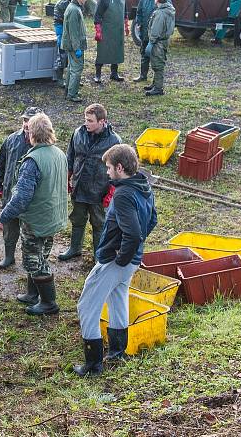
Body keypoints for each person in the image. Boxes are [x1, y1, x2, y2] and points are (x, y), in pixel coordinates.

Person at [73, 144, 157, 376]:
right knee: (118, 300)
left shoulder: (123, 195)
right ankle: (117, 353)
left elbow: (133, 233)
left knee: (87, 306)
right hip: (131, 261)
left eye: (109, 168)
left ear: (120, 168)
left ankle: (92, 366)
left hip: (115, 260)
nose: (107, 173)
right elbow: (152, 221)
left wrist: (120, 258)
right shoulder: (144, 187)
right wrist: (133, 252)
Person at [0, 113, 68, 316]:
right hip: (53, 217)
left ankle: (48, 302)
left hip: (36, 220)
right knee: (42, 254)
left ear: (31, 134)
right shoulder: (59, 154)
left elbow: (21, 198)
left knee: (33, 261)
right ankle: (32, 294)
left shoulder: (33, 161)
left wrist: (4, 216)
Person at [59, 104, 122, 262]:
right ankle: (75, 248)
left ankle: (98, 255)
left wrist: (112, 191)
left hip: (100, 190)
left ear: (102, 121)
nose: (86, 123)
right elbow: (70, 157)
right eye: (85, 119)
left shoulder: (114, 141)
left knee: (99, 223)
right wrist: (67, 178)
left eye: (90, 121)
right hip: (79, 187)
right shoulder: (78, 133)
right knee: (77, 218)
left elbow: (119, 169)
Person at [0, 107, 38, 271]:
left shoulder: (42, 144)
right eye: (25, 120)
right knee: (9, 229)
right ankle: (9, 256)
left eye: (30, 121)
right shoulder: (11, 140)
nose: (26, 124)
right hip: (10, 194)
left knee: (30, 232)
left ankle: (31, 260)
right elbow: (0, 163)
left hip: (30, 198)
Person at [93, 0, 129, 84]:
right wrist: (98, 31)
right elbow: (97, 16)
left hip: (118, 30)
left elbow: (125, 11)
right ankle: (97, 74)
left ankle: (114, 73)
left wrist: (126, 25)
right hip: (106, 30)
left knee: (116, 51)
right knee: (102, 52)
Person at [144, 0, 176, 96]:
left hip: (158, 42)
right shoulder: (168, 10)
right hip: (163, 40)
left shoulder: (160, 13)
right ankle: (155, 84)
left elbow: (155, 30)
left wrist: (151, 42)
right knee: (157, 63)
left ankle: (158, 88)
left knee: (158, 65)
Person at [61, 0, 89, 103]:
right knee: (77, 69)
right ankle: (72, 94)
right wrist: (77, 48)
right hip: (74, 45)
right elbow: (73, 32)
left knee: (72, 68)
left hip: (72, 44)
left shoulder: (74, 8)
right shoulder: (73, 10)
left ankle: (69, 90)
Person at [132, 0, 161, 83]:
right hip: (145, 32)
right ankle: (143, 75)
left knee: (156, 56)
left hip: (156, 33)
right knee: (144, 54)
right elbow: (138, 12)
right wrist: (139, 23)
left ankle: (156, 81)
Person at [53, 0, 79, 87]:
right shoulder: (63, 4)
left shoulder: (73, 2)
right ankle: (59, 78)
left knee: (71, 55)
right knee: (62, 55)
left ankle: (71, 78)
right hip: (62, 30)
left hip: (70, 30)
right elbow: (66, 20)